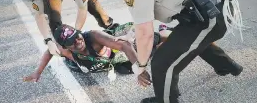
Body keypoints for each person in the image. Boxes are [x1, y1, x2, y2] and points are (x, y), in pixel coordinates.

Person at [93, 0, 244, 103]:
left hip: (210, 15)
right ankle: (226, 66)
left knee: (161, 63)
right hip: (213, 6)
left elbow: (145, 32)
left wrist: (140, 66)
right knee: (185, 40)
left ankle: (166, 100)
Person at [26, 0, 118, 70]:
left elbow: (82, 7)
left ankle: (109, 25)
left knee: (91, 0)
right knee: (54, 19)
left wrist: (76, 32)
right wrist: (48, 40)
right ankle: (70, 53)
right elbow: (39, 15)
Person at [23, 23, 170, 82]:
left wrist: (140, 70)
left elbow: (124, 45)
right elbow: (49, 51)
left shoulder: (94, 37)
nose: (77, 41)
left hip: (117, 43)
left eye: (77, 36)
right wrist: (38, 72)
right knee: (127, 67)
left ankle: (164, 31)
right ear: (65, 47)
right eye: (71, 43)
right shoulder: (65, 51)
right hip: (108, 62)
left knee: (144, 44)